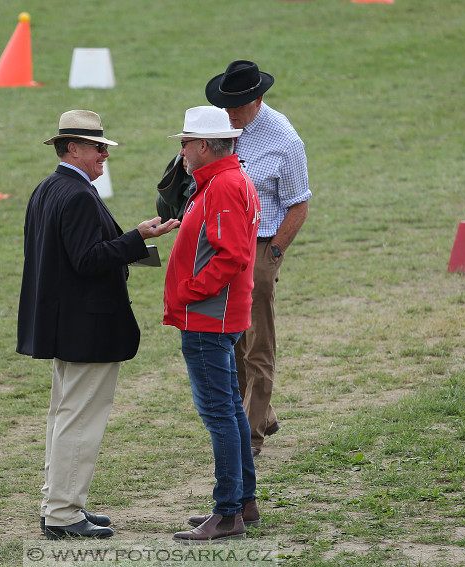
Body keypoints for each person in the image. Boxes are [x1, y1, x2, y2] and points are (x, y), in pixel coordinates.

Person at [16, 109, 179, 540]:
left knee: (63, 415)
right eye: (97, 147)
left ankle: (58, 503)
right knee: (79, 419)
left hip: (64, 323)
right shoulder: (76, 195)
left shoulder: (48, 189)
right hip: (87, 326)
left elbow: (69, 255)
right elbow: (88, 260)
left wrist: (131, 238)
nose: (104, 155)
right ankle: (64, 513)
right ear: (72, 147)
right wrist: (137, 238)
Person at [163, 106, 261, 543]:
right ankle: (243, 502)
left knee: (219, 413)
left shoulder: (221, 185)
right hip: (220, 315)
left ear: (204, 145)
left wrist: (188, 290)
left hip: (208, 319)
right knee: (231, 411)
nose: (181, 151)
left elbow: (233, 254)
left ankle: (227, 514)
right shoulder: (229, 179)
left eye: (185, 142)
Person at [205, 60, 311, 457]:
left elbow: (298, 205)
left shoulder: (285, 141)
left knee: (257, 344)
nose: (228, 113)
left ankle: (251, 437)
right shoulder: (219, 125)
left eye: (237, 106)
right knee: (230, 338)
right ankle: (262, 415)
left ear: (258, 99)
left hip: (263, 244)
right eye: (225, 104)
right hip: (226, 245)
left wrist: (274, 254)